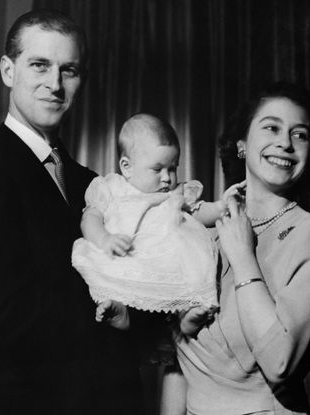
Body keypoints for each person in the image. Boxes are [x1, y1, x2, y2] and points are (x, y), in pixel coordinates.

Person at [0, 10, 149, 415]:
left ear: (82, 80)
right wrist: (113, 313)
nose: (54, 85)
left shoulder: (94, 184)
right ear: (8, 70)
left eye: (68, 70)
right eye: (39, 65)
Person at [161, 82, 310, 415]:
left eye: (300, 134)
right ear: (242, 144)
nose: (285, 143)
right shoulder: (200, 230)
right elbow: (177, 357)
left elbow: (279, 361)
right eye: (272, 128)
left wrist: (244, 256)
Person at [72, 113, 242, 317]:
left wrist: (221, 207)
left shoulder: (175, 193)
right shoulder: (112, 188)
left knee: (190, 273)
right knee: (113, 276)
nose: (166, 178)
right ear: (127, 167)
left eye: (172, 168)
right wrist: (104, 238)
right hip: (126, 254)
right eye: (157, 169)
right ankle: (122, 311)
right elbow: (90, 218)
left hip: (166, 260)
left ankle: (185, 317)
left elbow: (197, 212)